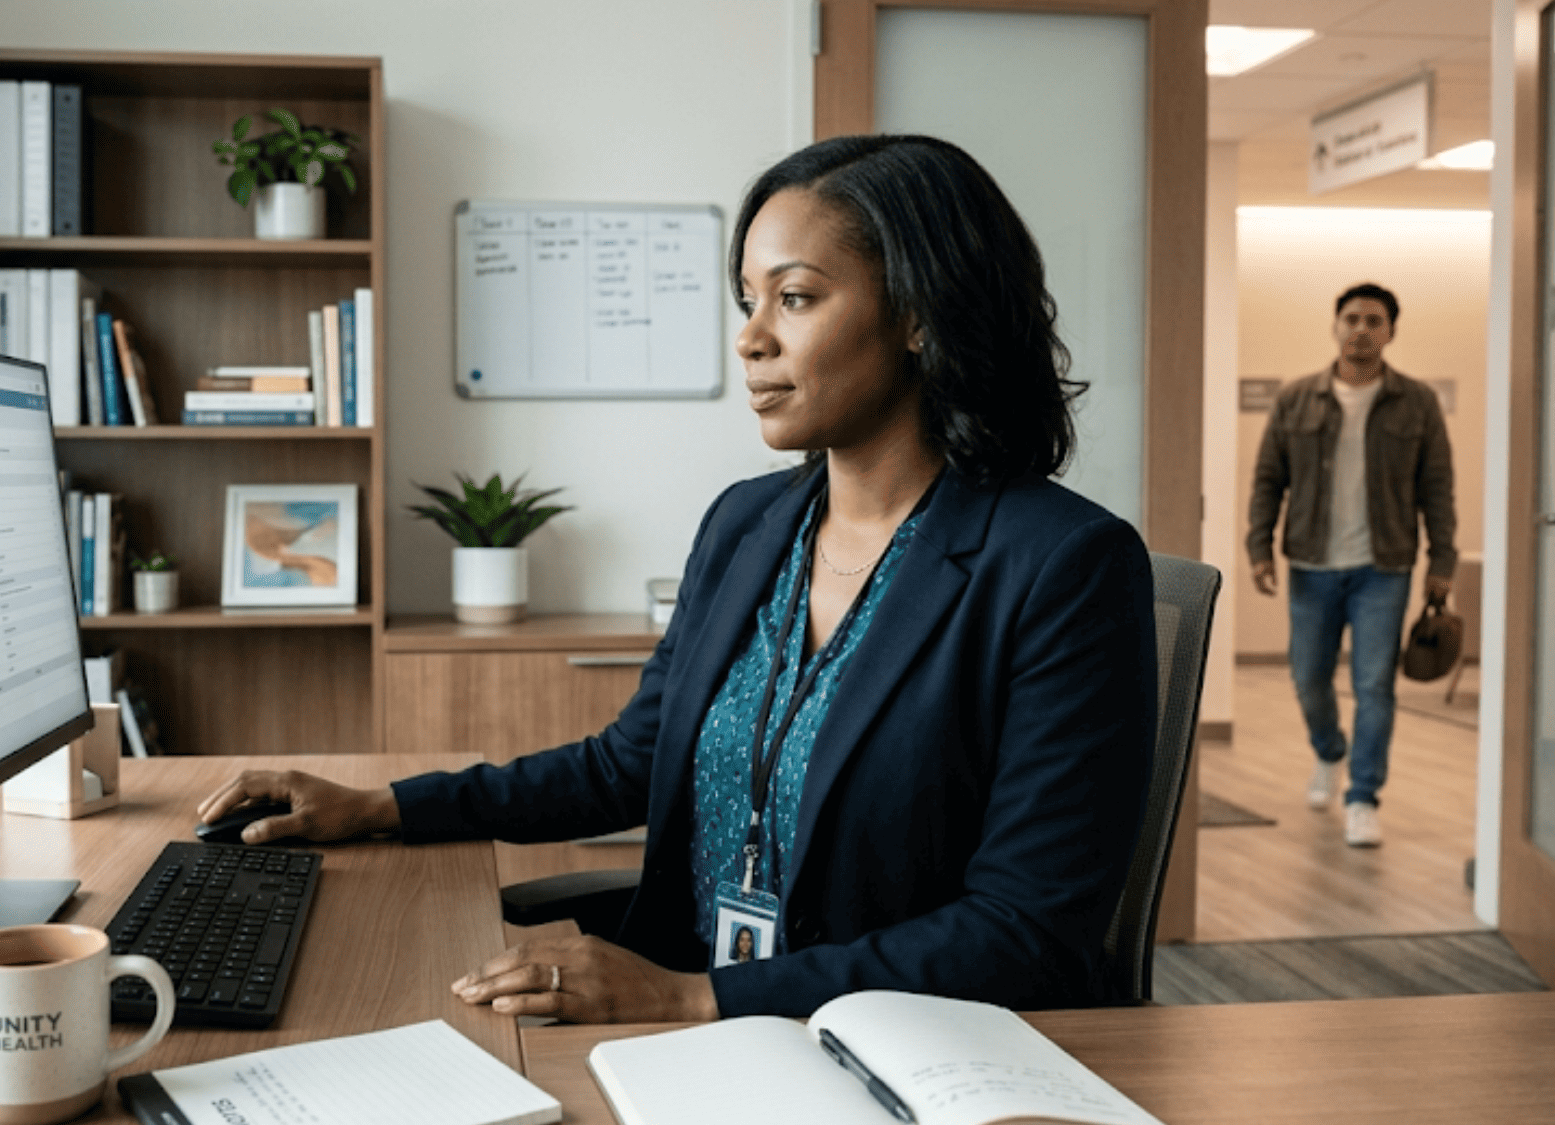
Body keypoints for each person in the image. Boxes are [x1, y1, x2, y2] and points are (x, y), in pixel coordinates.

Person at [199, 135, 1157, 1023]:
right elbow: (629, 762)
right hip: (694, 1021)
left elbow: (1028, 934)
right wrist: (383, 806)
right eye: (748, 300)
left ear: (917, 313)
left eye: (796, 297)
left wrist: (691, 997)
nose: (750, 338)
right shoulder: (749, 522)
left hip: (879, 1048)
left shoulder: (1063, 565)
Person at [1245, 283, 1456, 849]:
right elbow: (1269, 478)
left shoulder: (1417, 402)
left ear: (1391, 331)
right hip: (1312, 564)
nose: (1362, 330)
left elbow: (1437, 487)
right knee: (1309, 678)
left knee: (1374, 686)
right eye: (1352, 319)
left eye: (1375, 320)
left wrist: (1444, 559)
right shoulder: (1296, 399)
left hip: (1383, 567)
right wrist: (1258, 546)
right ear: (1335, 326)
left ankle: (1363, 795)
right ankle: (1329, 751)